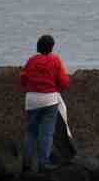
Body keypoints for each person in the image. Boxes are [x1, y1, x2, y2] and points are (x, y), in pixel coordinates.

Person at [21, 34, 69, 172]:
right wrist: (56, 87)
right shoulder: (55, 60)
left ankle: (26, 164)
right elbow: (63, 82)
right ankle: (44, 163)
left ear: (38, 46)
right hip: (49, 99)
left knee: (31, 132)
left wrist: (29, 87)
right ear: (51, 47)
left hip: (32, 99)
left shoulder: (31, 61)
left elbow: (23, 78)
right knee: (46, 133)